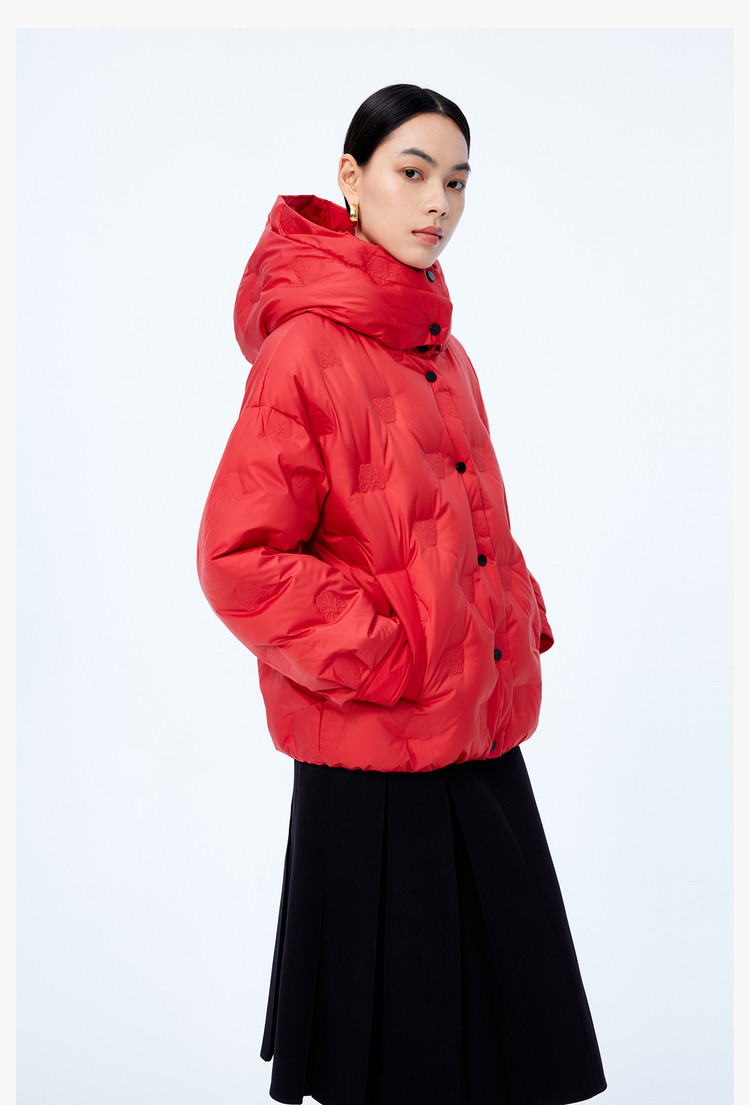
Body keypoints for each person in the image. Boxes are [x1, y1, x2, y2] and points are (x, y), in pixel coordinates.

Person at [197, 84, 607, 1105]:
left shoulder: (444, 351)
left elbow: (468, 517)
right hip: (374, 755)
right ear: (353, 178)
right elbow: (238, 555)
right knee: (395, 1058)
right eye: (412, 172)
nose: (438, 203)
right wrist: (387, 651)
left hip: (475, 729)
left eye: (457, 181)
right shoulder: (305, 352)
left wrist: (515, 612)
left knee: (512, 1044)